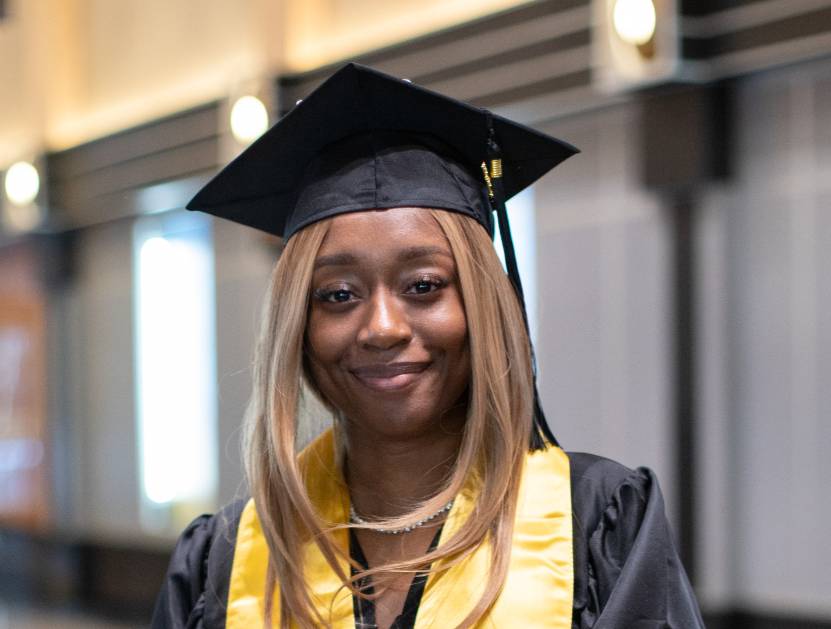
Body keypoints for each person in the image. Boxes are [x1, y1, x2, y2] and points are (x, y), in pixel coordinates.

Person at [152, 63, 704, 628]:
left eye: (423, 286)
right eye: (338, 294)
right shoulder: (227, 560)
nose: (382, 327)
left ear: (483, 303)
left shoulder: (594, 528)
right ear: (298, 326)